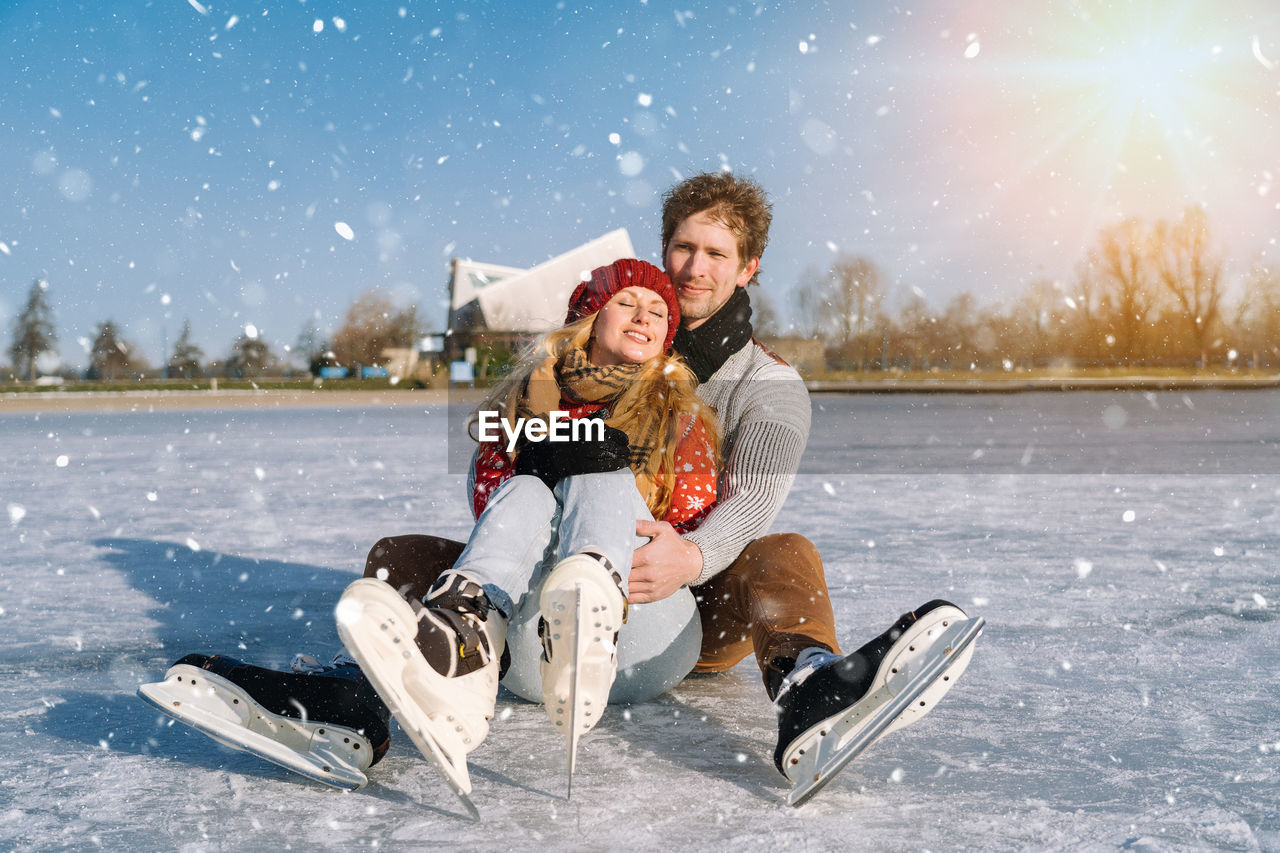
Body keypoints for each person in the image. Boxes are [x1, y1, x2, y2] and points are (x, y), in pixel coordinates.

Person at [140, 173, 976, 801]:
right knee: (402, 555)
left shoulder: (765, 384)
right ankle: (357, 703)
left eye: (716, 252)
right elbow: (498, 451)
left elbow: (753, 497)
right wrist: (537, 433)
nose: (692, 266)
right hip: (557, 569)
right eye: (681, 245)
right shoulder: (596, 341)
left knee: (780, 551)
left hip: (685, 590)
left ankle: (810, 687)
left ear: (747, 266)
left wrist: (690, 554)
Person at [139, 259, 720, 792]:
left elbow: (689, 516)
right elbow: (490, 500)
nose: (644, 316)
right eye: (628, 302)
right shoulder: (521, 399)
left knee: (597, 464)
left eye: (659, 310)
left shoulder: (679, 411)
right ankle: (404, 681)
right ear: (589, 317)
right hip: (532, 644)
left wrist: (586, 464)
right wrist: (546, 456)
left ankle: (591, 589)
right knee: (521, 488)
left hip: (644, 630)